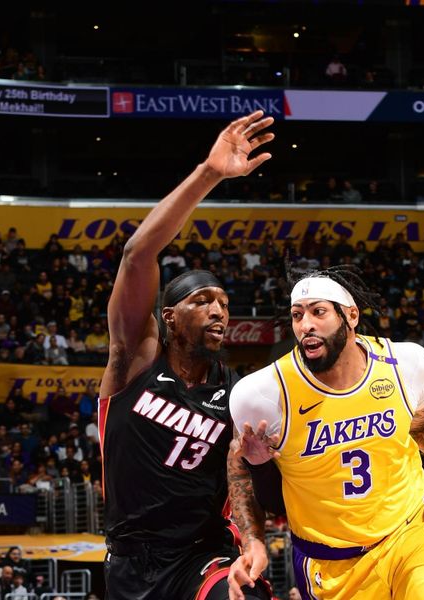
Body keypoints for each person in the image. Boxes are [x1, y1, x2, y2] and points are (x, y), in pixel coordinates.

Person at [227, 263, 424, 599]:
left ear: (351, 316)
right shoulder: (263, 394)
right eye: (297, 315)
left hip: (410, 538)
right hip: (332, 563)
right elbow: (238, 463)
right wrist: (252, 541)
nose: (306, 325)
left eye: (318, 312)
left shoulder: (405, 364)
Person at [98, 111, 275, 600]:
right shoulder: (134, 359)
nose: (217, 310)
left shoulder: (239, 392)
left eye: (223, 303)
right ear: (170, 317)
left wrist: (254, 540)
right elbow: (137, 255)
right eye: (202, 301)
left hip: (203, 557)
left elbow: (238, 478)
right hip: (130, 565)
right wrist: (210, 173)